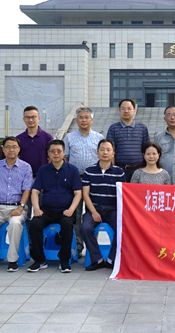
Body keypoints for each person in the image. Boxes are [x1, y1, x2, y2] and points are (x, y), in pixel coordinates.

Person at [28, 140, 82, 273]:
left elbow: (78, 193)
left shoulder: (72, 170)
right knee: (34, 224)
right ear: (48, 153)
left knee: (67, 225)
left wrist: (71, 209)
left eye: (59, 151)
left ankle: (64, 260)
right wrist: (36, 209)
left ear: (64, 152)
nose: (56, 154)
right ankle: (39, 260)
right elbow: (35, 191)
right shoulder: (43, 170)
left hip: (66, 210)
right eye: (53, 151)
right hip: (47, 210)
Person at [0, 137, 33, 272]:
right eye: (8, 147)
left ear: (19, 149)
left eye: (14, 147)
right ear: (3, 150)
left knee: (15, 223)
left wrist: (20, 208)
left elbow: (27, 190)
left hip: (17, 207)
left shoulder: (26, 167)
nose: (11, 150)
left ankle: (13, 259)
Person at [63, 106, 104, 255]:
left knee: (95, 213)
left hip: (95, 180)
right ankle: (78, 246)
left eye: (87, 117)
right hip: (76, 180)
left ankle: (93, 247)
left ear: (92, 120)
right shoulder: (69, 137)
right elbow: (66, 159)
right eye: (81, 117)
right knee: (76, 213)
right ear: (76, 120)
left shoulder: (99, 137)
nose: (84, 120)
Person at [81, 139, 126, 271]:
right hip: (94, 208)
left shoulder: (119, 172)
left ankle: (112, 259)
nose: (105, 152)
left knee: (123, 229)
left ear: (113, 153)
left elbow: (122, 195)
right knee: (85, 228)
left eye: (108, 150)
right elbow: (85, 195)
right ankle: (97, 259)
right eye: (102, 149)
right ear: (97, 152)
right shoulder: (89, 171)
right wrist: (94, 212)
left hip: (113, 210)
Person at [107, 99, 150, 182]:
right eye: (123, 109)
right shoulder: (113, 128)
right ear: (119, 111)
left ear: (134, 110)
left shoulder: (142, 128)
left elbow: (147, 149)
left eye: (129, 108)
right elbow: (111, 150)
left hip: (139, 170)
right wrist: (113, 169)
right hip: (119, 169)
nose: (126, 111)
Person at [17, 106, 53, 177]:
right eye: (27, 117)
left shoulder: (47, 137)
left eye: (33, 117)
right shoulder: (18, 139)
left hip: (42, 176)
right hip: (23, 176)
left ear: (38, 118)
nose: (30, 120)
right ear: (23, 119)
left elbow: (51, 158)